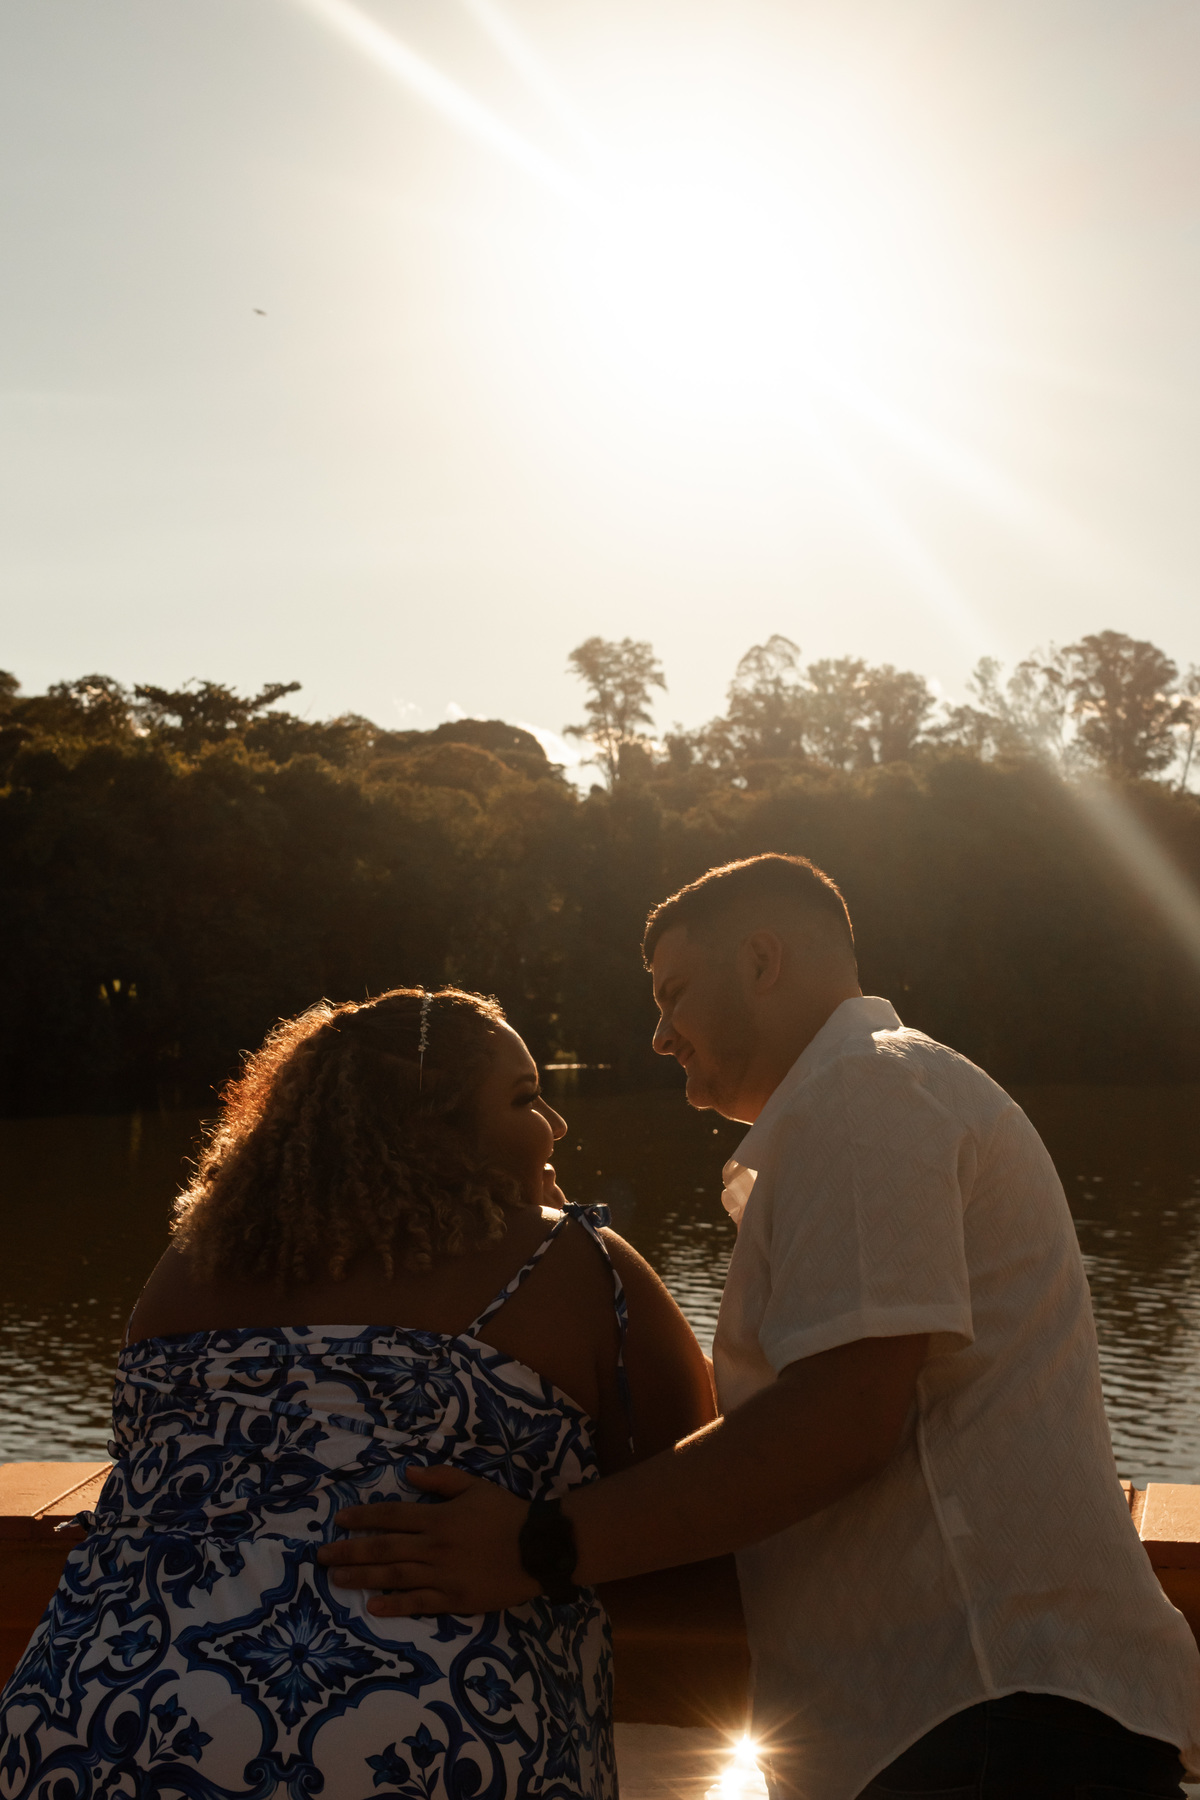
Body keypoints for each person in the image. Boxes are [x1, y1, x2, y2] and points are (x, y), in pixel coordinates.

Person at [318, 857, 1200, 1800]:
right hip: (969, 1719)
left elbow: (839, 1420)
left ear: (763, 960)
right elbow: (794, 1402)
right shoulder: (866, 1103)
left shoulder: (865, 1094)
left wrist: (536, 1546)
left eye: (674, 994)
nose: (659, 1036)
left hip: (992, 1716)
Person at [0, 986, 714, 1800]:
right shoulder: (574, 1262)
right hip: (428, 1742)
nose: (554, 1125)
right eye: (524, 1098)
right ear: (427, 1130)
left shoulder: (185, 1270)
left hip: (92, 1715)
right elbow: (695, 1479)